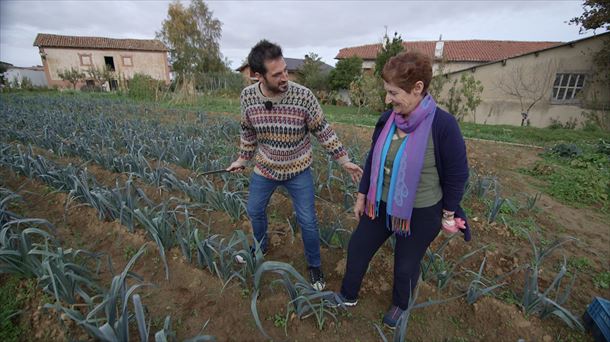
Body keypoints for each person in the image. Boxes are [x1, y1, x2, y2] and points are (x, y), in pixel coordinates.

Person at [334, 51, 471, 329]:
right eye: (387, 92)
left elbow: (458, 174)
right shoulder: (388, 119)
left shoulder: (443, 126)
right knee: (358, 247)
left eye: (393, 92)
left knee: (405, 265)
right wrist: (362, 195)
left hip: (421, 211)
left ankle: (400, 305)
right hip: (380, 203)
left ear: (418, 88)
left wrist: (448, 212)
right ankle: (347, 296)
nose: (388, 99)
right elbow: (373, 158)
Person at [227, 40, 363, 291]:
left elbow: (323, 130)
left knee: (308, 221)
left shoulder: (303, 96)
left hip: (298, 169)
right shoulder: (247, 97)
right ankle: (259, 247)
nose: (285, 77)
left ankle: (314, 265)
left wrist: (344, 160)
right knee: (254, 210)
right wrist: (242, 159)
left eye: (285, 70)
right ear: (258, 75)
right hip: (266, 168)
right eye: (277, 74)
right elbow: (247, 132)